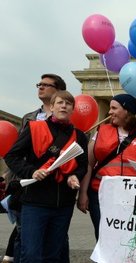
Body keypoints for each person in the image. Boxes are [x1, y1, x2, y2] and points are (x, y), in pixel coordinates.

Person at [4, 90, 88, 263]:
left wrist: (74, 176)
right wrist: (31, 172)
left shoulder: (80, 136)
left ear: (73, 110)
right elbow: (12, 156)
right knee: (32, 254)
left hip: (63, 204)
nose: (64, 106)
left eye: (68, 103)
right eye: (59, 102)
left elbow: (82, 165)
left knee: (53, 255)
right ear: (51, 107)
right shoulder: (34, 128)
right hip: (35, 202)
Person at [77, 93, 136, 240]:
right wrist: (83, 194)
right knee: (104, 238)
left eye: (114, 108)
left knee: (130, 239)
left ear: (126, 110)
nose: (109, 112)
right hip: (100, 194)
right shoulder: (100, 132)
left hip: (134, 198)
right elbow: (88, 165)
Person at [2, 73, 67, 263]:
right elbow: (17, 152)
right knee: (25, 233)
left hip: (56, 186)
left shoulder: (66, 116)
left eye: (47, 85)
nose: (41, 87)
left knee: (58, 238)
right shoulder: (29, 118)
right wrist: (16, 178)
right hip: (29, 182)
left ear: (58, 91)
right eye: (39, 84)